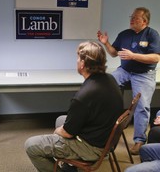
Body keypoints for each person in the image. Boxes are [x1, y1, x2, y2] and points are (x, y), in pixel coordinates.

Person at [24, 41, 123, 172]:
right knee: (60, 119)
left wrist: (57, 133)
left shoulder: (83, 96)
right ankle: (71, 165)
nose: (76, 61)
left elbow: (67, 133)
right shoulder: (109, 79)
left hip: (92, 148)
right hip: (105, 138)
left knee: (31, 145)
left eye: (78, 58)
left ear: (83, 64)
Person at [97, 7, 160, 155]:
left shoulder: (152, 34)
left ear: (144, 21)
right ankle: (109, 129)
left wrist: (133, 56)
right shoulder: (125, 34)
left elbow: (156, 57)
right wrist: (105, 43)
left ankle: (139, 141)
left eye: (136, 17)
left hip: (144, 74)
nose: (131, 19)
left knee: (142, 106)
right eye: (131, 16)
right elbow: (113, 53)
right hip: (124, 71)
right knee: (105, 87)